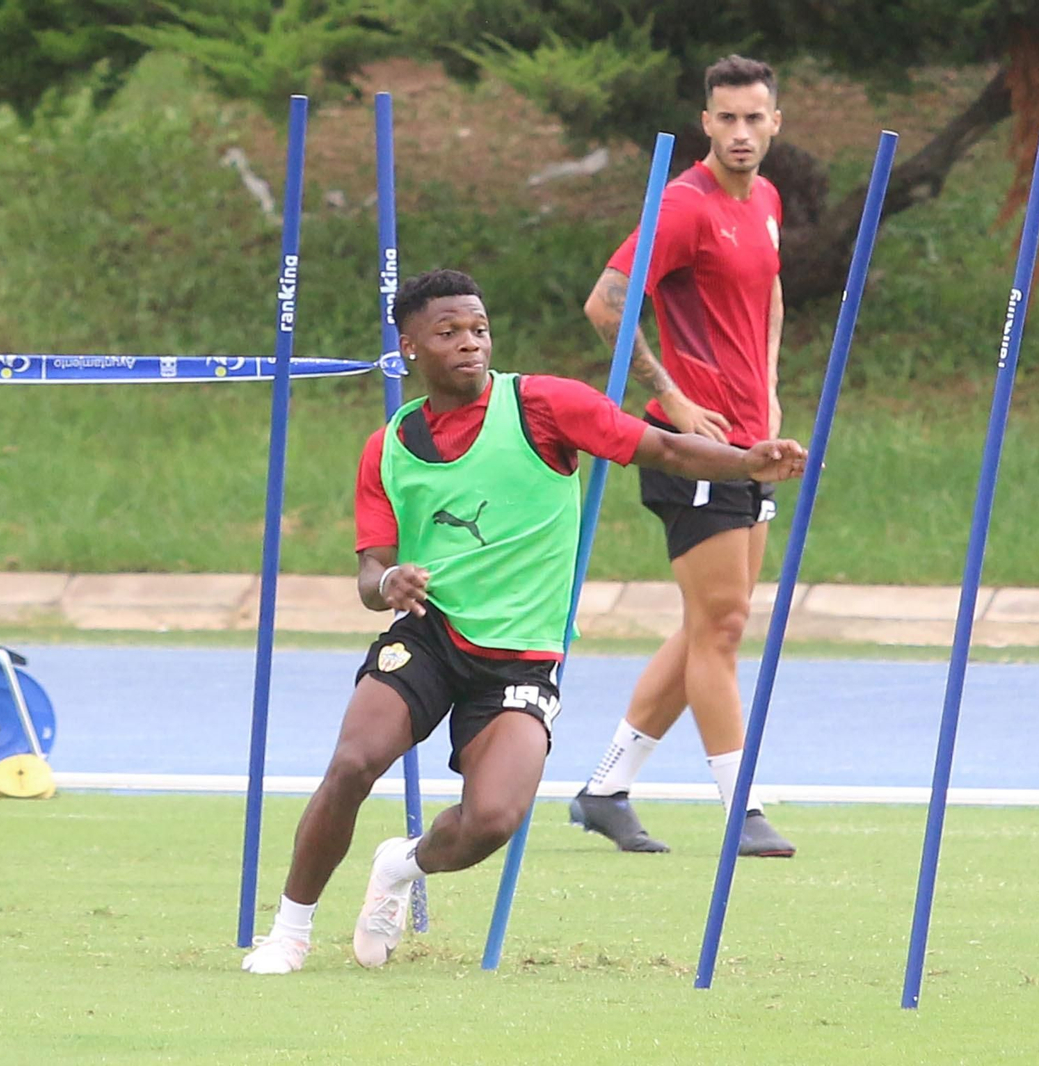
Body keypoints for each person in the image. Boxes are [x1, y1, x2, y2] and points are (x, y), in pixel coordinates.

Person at [241, 268, 807, 974]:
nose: (469, 344)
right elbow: (369, 573)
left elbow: (658, 447)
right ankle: (290, 931)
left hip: (520, 659)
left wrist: (745, 461)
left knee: (492, 821)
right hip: (429, 632)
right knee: (354, 761)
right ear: (410, 345)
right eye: (447, 333)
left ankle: (399, 865)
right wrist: (390, 580)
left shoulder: (542, 404)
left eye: (478, 330)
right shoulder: (388, 447)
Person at [571, 55, 797, 857]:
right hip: (692, 448)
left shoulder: (765, 200)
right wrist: (675, 396)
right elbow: (605, 302)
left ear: (775, 122)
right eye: (726, 118)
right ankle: (742, 805)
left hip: (753, 443)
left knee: (712, 623)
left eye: (754, 118)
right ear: (706, 123)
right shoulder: (684, 205)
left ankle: (604, 789)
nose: (741, 132)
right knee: (726, 625)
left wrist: (767, 396)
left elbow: (767, 297)